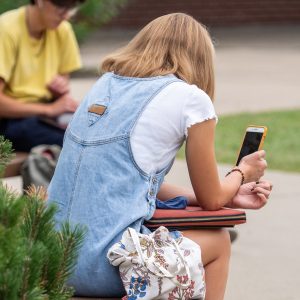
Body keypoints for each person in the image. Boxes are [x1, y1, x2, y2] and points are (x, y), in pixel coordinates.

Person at [47, 13, 273, 299]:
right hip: (107, 268)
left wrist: (227, 193)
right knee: (218, 241)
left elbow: (130, 177)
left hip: (52, 261)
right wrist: (242, 173)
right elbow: (212, 199)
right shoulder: (190, 98)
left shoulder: (104, 85)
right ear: (200, 58)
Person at [0, 0, 86, 152]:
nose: (66, 15)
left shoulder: (63, 29)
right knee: (76, 143)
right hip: (11, 121)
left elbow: (64, 86)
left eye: (71, 8)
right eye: (61, 7)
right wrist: (49, 109)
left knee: (96, 131)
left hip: (46, 115)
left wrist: (60, 92)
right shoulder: (6, 28)